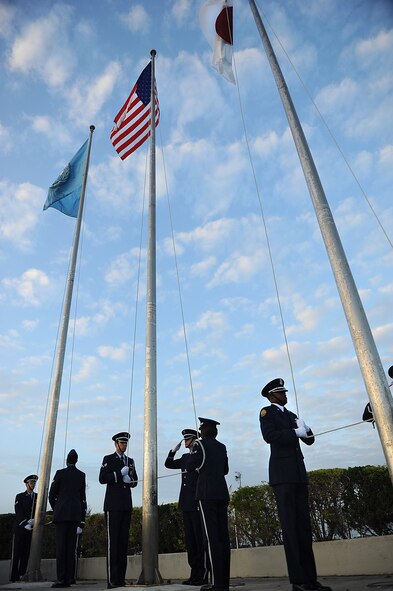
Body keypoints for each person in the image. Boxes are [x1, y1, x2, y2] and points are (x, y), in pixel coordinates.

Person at [259, 378, 332, 591]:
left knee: (303, 528)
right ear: (272, 395)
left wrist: (306, 429)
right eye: (281, 392)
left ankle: (310, 578)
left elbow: (309, 440)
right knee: (290, 528)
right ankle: (298, 581)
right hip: (282, 476)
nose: (285, 395)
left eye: (285, 391)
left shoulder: (292, 416)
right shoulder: (267, 413)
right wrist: (293, 432)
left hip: (298, 475)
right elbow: (269, 436)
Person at [182, 417, 230, 591]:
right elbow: (225, 470)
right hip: (222, 493)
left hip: (206, 494)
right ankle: (224, 581)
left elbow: (190, 464)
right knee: (223, 539)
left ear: (202, 431)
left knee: (211, 539)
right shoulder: (222, 446)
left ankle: (217, 583)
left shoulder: (199, 445)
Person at [165, 428, 207, 585]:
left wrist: (196, 448)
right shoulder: (184, 457)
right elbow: (168, 464)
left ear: (194, 440)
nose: (185, 442)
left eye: (187, 440)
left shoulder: (197, 455)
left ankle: (202, 574)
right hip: (186, 503)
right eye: (184, 440)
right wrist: (172, 452)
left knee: (198, 540)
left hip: (196, 502)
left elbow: (191, 464)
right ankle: (194, 573)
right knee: (190, 542)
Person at [99, 431, 138, 589]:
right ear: (116, 444)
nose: (124, 446)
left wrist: (130, 481)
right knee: (113, 543)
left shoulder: (130, 461)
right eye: (122, 443)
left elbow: (134, 480)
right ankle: (112, 580)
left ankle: (121, 578)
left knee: (123, 543)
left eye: (126, 443)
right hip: (113, 506)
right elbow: (102, 478)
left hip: (125, 506)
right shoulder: (108, 459)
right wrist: (118, 475)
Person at [49, 449, 87, 589]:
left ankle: (61, 578)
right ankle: (70, 577)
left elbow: (52, 494)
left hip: (61, 515)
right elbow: (83, 498)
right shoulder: (81, 475)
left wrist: (57, 507)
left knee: (61, 548)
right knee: (71, 548)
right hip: (75, 514)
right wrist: (82, 518)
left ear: (67, 460)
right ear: (76, 460)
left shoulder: (60, 473)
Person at [9, 474, 38, 582]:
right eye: (31, 483)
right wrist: (25, 523)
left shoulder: (37, 497)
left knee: (26, 553)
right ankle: (13, 577)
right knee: (16, 553)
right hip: (20, 528)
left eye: (34, 483)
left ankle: (22, 574)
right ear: (27, 484)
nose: (33, 485)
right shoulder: (19, 496)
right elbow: (19, 512)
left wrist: (34, 520)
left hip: (31, 529)